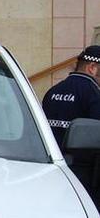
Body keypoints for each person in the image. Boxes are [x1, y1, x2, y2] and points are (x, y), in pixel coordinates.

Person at [42, 45, 100, 207]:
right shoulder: (94, 95)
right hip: (84, 174)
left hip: (51, 168)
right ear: (92, 68)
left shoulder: (52, 91)